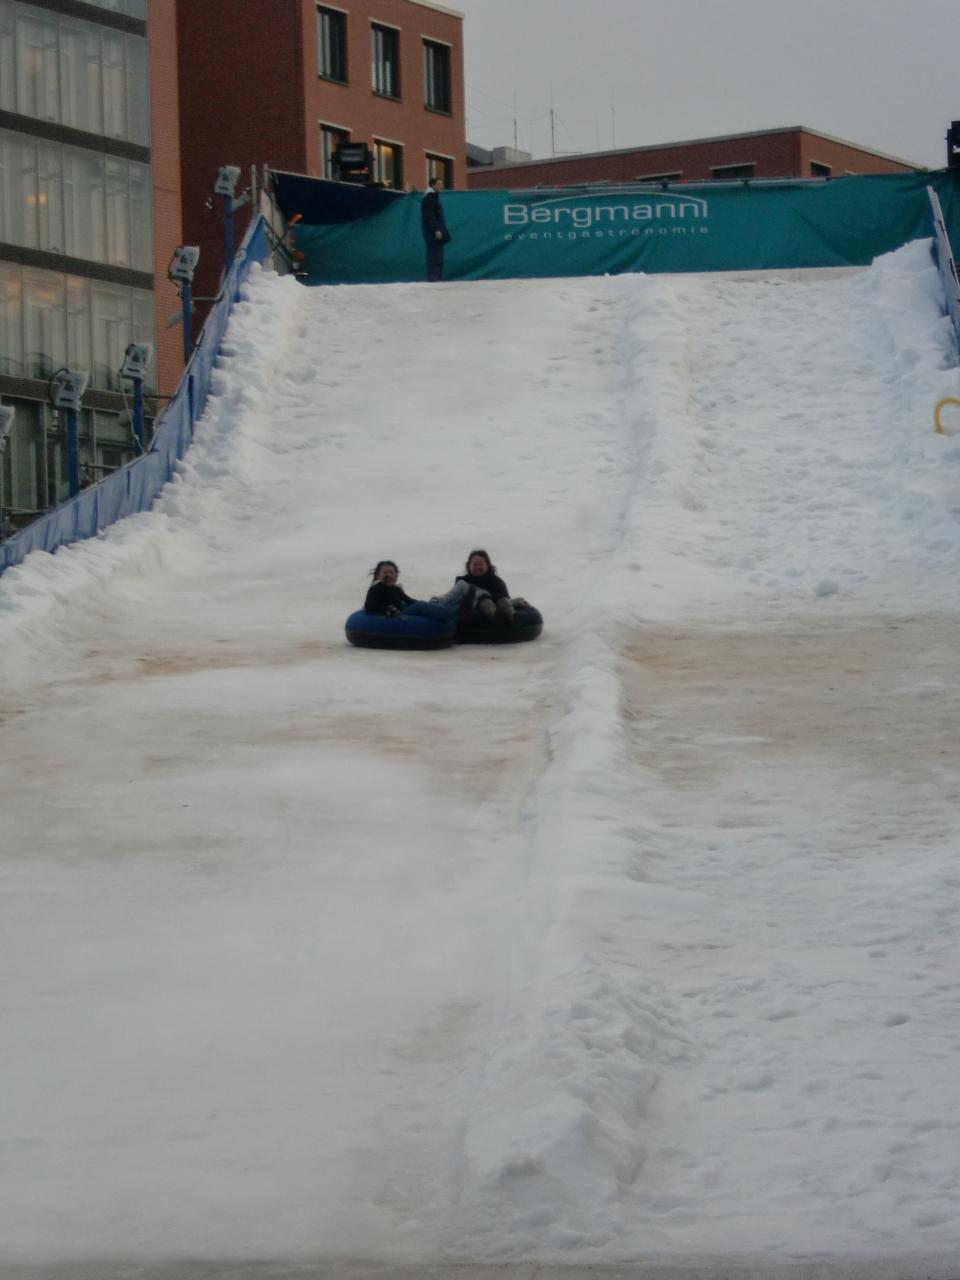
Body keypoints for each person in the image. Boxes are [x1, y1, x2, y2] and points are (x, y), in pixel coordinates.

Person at [455, 549, 525, 627]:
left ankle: (513, 618)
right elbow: (455, 599)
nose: (478, 567)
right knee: (484, 602)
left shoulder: (496, 582)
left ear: (487, 566)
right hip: (472, 611)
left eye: (481, 564)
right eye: (475, 564)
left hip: (495, 607)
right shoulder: (463, 582)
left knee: (498, 602)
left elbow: (503, 599)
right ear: (469, 566)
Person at [421, 177, 451, 282]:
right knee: (434, 256)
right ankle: (433, 279)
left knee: (437, 256)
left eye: (441, 184)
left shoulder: (434, 198)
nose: (441, 186)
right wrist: (436, 230)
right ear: (432, 185)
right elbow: (430, 216)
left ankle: (436, 278)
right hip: (433, 233)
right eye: (439, 184)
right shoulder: (429, 199)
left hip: (435, 232)